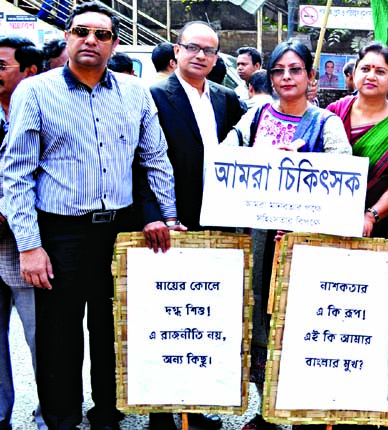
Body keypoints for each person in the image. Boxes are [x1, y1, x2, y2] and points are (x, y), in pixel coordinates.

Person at [2, 3, 179, 430]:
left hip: (118, 232)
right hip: (60, 232)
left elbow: (155, 158)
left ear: (114, 43)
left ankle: (106, 415)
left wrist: (169, 219)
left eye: (101, 35)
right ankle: (62, 421)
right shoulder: (36, 91)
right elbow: (16, 173)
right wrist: (29, 245)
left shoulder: (135, 93)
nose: (91, 41)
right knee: (58, 338)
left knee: (112, 331)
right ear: (68, 36)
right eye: (82, 32)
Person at [221, 39, 350, 430]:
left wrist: (305, 164)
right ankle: (267, 410)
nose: (287, 77)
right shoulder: (256, 117)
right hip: (260, 238)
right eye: (279, 71)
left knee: (303, 318)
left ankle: (303, 411)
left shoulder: (326, 122)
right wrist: (264, 160)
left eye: (295, 70)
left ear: (311, 76)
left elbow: (344, 173)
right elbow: (227, 153)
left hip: (304, 241)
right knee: (260, 314)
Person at [147, 20, 245, 430]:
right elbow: (140, 159)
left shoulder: (227, 99)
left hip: (219, 220)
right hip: (172, 221)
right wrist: (154, 213)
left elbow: (251, 148)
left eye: (209, 50)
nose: (201, 56)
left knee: (209, 317)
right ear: (176, 51)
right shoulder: (152, 96)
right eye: (193, 48)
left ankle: (203, 405)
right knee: (165, 316)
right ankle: (161, 411)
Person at [0, 35, 47, 430]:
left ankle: (50, 410)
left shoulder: (43, 109)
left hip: (26, 247)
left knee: (41, 340)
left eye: (2, 66)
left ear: (29, 72)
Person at [327, 43, 388, 239]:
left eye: (380, 71)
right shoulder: (335, 111)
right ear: (354, 74)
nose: (371, 76)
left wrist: (371, 216)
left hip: (377, 228)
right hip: (329, 219)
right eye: (365, 69)